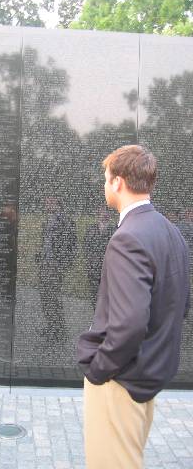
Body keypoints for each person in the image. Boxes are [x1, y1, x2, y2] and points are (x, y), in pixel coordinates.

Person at [77, 145, 190, 469]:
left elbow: (129, 324)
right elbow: (181, 304)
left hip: (119, 383)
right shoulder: (172, 232)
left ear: (118, 182)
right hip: (148, 378)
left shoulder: (127, 237)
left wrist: (99, 370)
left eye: (106, 177)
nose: (104, 185)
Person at [37, 197, 77, 342]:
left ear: (57, 203)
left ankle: (59, 330)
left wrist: (63, 264)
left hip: (55, 265)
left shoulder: (65, 221)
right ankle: (51, 325)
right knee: (45, 295)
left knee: (53, 296)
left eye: (50, 201)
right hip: (45, 264)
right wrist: (39, 255)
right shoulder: (48, 220)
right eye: (46, 201)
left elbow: (72, 244)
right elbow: (45, 242)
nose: (47, 203)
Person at [83, 206, 114, 308]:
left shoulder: (115, 229)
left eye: (107, 212)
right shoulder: (91, 229)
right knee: (95, 298)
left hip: (110, 270)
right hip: (93, 270)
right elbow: (86, 247)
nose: (104, 214)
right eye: (102, 211)